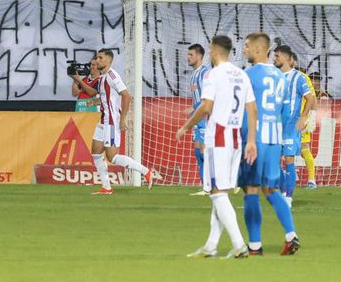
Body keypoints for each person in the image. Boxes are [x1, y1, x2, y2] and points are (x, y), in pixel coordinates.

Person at [176, 35, 257, 260]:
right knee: (218, 192)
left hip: (218, 138)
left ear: (213, 50)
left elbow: (205, 107)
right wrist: (251, 140)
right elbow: (252, 110)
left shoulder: (213, 74)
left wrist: (185, 126)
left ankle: (239, 244)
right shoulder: (241, 74)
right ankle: (210, 246)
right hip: (235, 140)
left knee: (218, 193)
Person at [236, 32, 299, 256]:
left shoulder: (248, 75)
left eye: (246, 46)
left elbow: (246, 109)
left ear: (258, 49)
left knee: (250, 189)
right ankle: (291, 235)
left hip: (256, 138)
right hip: (274, 138)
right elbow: (284, 111)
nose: (243, 49)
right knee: (271, 189)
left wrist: (246, 138)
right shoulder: (281, 77)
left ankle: (254, 245)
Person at [73, 48, 160, 194]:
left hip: (111, 122)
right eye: (97, 58)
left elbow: (126, 96)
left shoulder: (112, 76)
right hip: (103, 121)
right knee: (96, 152)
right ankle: (106, 187)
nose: (97, 60)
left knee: (112, 157)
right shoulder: (102, 77)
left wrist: (123, 119)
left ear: (108, 60)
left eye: (100, 58)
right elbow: (100, 95)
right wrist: (90, 97)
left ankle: (146, 172)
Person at [273, 45, 317, 200]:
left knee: (289, 160)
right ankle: (284, 190)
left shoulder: (299, 77)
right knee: (274, 162)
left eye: (277, 56)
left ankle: (289, 197)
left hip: (291, 127)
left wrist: (304, 117)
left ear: (287, 58)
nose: (274, 59)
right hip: (275, 126)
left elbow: (310, 98)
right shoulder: (274, 76)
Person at [186, 43, 211, 192]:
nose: (188, 57)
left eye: (191, 55)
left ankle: (212, 185)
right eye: (188, 55)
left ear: (199, 56)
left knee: (204, 152)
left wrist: (194, 108)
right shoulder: (194, 74)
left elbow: (208, 96)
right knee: (198, 152)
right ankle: (205, 186)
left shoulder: (204, 73)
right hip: (198, 117)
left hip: (205, 117)